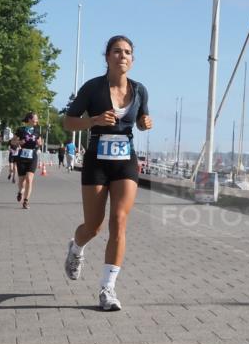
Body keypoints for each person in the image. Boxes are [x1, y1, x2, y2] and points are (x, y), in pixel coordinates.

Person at [63, 36, 152, 311]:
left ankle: (107, 288)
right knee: (93, 226)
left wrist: (145, 123)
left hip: (125, 159)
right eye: (117, 51)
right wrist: (94, 120)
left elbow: (140, 121)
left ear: (132, 60)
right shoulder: (92, 87)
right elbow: (67, 122)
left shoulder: (139, 90)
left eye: (127, 52)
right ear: (107, 57)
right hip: (96, 161)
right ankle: (76, 248)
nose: (122, 56)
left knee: (119, 221)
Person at [10, 113, 43, 210]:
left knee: (29, 179)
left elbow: (40, 143)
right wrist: (19, 142)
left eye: (37, 119)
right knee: (21, 180)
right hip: (22, 156)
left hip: (32, 155)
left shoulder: (37, 131)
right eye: (35, 119)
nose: (37, 121)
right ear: (29, 119)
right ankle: (20, 192)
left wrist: (39, 143)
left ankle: (26, 201)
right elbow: (12, 142)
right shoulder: (21, 130)